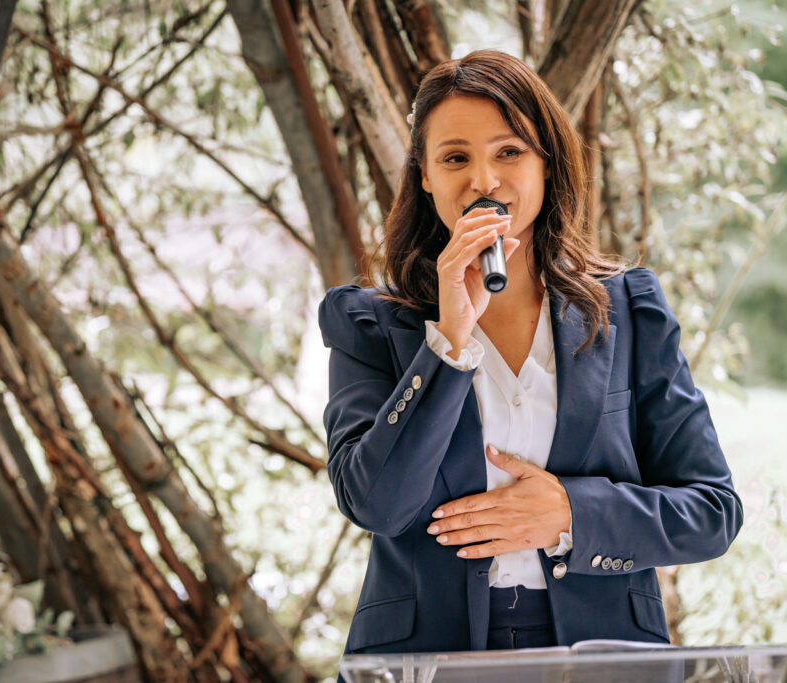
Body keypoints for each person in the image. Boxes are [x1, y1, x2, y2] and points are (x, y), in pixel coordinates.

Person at [318, 49, 742, 655]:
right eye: (455, 157)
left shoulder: (629, 309)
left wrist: (571, 513)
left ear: (547, 165)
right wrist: (448, 343)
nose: (484, 180)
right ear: (426, 176)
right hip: (429, 657)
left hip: (602, 653)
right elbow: (376, 503)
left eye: (509, 152)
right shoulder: (366, 323)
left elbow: (711, 510)